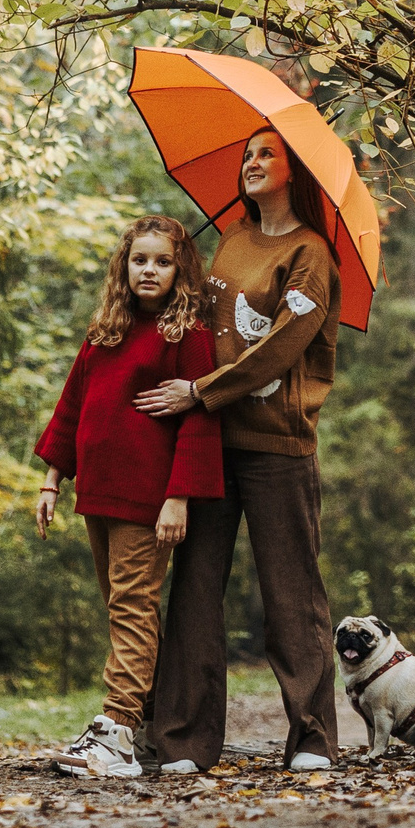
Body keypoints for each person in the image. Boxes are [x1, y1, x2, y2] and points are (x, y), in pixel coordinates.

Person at [134, 127, 341, 773]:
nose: (251, 163)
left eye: (266, 154)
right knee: (194, 590)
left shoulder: (312, 254)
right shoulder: (230, 238)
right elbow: (205, 324)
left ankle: (312, 738)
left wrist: (200, 389)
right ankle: (182, 740)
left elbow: (281, 345)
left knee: (292, 594)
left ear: (293, 167)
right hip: (211, 442)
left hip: (278, 445)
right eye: (247, 154)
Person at [32, 214, 222, 778]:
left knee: (132, 607)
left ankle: (115, 731)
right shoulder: (105, 332)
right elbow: (72, 408)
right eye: (140, 259)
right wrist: (50, 479)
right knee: (123, 610)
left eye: (163, 261)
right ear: (125, 265)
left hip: (148, 498)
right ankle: (140, 730)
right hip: (97, 492)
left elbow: (198, 424)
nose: (150, 270)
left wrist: (178, 496)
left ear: (180, 270)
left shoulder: (188, 336)